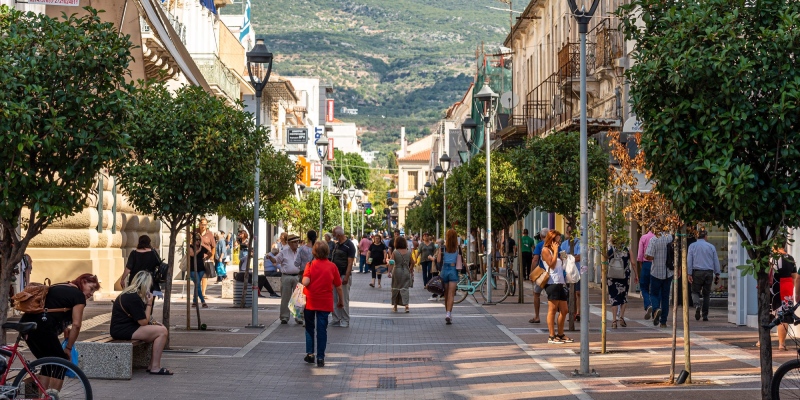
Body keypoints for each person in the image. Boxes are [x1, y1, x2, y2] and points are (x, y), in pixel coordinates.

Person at [20, 274, 99, 388]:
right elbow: (77, 325)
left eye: (94, 292)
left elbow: (53, 309)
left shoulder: (60, 286)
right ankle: (52, 396)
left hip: (27, 326)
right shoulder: (78, 296)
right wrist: (68, 348)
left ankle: (44, 397)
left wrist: (65, 329)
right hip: (42, 328)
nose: (91, 294)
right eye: (91, 289)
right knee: (60, 363)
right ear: (83, 282)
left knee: (47, 363)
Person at [110, 271, 171, 375]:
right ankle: (155, 367)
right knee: (162, 332)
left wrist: (155, 323)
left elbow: (142, 318)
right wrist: (149, 303)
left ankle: (152, 365)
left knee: (159, 330)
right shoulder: (133, 297)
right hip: (122, 330)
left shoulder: (130, 294)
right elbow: (143, 322)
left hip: (125, 327)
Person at [302, 241, 344, 367]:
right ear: (327, 251)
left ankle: (310, 354)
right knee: (322, 330)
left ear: (314, 252)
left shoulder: (310, 265)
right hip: (325, 302)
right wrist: (340, 301)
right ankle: (321, 357)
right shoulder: (332, 266)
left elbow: (305, 282)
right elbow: (339, 286)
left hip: (310, 301)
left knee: (309, 328)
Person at [763, 247, 798, 350]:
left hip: (773, 288)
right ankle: (781, 344)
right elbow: (794, 276)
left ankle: (762, 340)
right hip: (786, 287)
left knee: (768, 313)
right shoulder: (790, 258)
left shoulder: (771, 258)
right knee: (784, 316)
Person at [541, 230, 572, 344]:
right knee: (552, 310)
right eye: (557, 240)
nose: (559, 242)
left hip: (560, 282)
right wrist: (554, 251)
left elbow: (565, 261)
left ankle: (560, 334)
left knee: (564, 310)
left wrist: (563, 254)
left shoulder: (557, 250)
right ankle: (551, 336)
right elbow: (552, 265)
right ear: (551, 240)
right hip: (551, 282)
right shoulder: (545, 250)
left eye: (560, 240)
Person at [687, 229, 721, 321]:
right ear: (705, 236)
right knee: (706, 294)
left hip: (697, 272)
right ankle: (705, 315)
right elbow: (715, 261)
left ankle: (697, 305)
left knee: (695, 291)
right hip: (708, 272)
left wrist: (689, 273)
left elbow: (689, 261)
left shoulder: (692, 246)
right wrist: (717, 273)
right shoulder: (711, 247)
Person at [268, 234, 302, 324]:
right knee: (285, 298)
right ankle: (284, 317)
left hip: (297, 276)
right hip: (286, 276)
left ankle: (298, 317)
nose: (296, 244)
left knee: (298, 298)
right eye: (294, 242)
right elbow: (276, 260)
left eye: (297, 242)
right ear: (289, 243)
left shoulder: (300, 251)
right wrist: (270, 257)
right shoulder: (284, 252)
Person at [645, 231, 674, 328]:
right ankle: (663, 322)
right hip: (668, 272)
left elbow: (650, 256)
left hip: (656, 272)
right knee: (665, 297)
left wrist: (645, 256)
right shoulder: (670, 238)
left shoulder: (654, 239)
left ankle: (656, 309)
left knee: (653, 293)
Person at [329, 226, 356, 328]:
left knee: (343, 298)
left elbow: (350, 263)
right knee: (334, 298)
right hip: (335, 276)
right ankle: (336, 318)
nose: (333, 236)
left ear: (339, 234)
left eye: (334, 234)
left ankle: (345, 319)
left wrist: (346, 276)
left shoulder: (349, 245)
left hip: (344, 275)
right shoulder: (336, 245)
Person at [437, 229, 462, 325]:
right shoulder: (457, 248)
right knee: (451, 294)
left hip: (444, 270)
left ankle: (447, 313)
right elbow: (460, 260)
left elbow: (439, 260)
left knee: (446, 294)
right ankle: (448, 314)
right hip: (453, 270)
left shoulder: (442, 248)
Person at [608, 245, 635, 328]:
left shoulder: (610, 248)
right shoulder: (627, 249)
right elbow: (633, 263)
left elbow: (605, 261)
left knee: (614, 297)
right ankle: (621, 317)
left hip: (612, 276)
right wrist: (636, 274)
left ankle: (614, 321)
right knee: (623, 297)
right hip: (624, 276)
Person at [560, 231, 581, 322]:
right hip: (567, 271)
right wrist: (572, 257)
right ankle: (572, 312)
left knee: (578, 292)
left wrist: (568, 257)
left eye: (571, 231)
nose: (569, 233)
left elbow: (579, 257)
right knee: (569, 293)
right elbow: (562, 256)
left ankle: (578, 313)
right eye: (568, 231)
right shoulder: (564, 244)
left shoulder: (579, 243)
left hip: (578, 271)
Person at [529, 228, 549, 324]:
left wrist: (532, 273)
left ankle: (537, 316)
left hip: (542, 274)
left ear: (541, 236)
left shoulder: (540, 245)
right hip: (553, 275)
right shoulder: (556, 245)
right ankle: (551, 317)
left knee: (536, 294)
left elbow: (535, 259)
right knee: (552, 297)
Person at [389, 236, 413, 313]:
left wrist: (389, 271)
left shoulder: (395, 252)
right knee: (405, 288)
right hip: (406, 271)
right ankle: (406, 306)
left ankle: (395, 306)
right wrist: (410, 269)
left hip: (397, 271)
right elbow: (413, 262)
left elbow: (392, 262)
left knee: (395, 288)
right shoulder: (408, 252)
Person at [637, 227, 656, 320]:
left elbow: (640, 254)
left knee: (644, 287)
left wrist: (641, 264)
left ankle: (648, 305)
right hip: (655, 264)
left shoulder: (643, 238)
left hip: (646, 264)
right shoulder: (658, 238)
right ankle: (655, 309)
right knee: (654, 288)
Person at [196, 217, 215, 298]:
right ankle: (197, 292)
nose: (203, 226)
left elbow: (213, 246)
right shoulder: (195, 232)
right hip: (196, 257)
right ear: (199, 224)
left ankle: (203, 293)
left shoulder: (210, 234)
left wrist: (212, 257)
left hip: (206, 257)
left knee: (204, 276)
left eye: (204, 224)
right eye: (202, 224)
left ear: (207, 225)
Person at [187, 234, 207, 308]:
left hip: (201, 268)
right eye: (196, 240)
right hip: (193, 268)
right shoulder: (190, 247)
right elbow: (192, 254)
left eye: (199, 240)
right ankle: (203, 301)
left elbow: (210, 253)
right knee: (198, 284)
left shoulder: (202, 248)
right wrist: (198, 250)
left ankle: (194, 301)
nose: (198, 241)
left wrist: (205, 259)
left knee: (197, 285)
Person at [418, 233, 437, 300]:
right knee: (424, 272)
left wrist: (434, 256)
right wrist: (416, 258)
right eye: (425, 236)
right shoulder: (421, 244)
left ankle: (429, 283)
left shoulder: (432, 244)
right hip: (423, 259)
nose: (426, 237)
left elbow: (435, 250)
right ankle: (425, 284)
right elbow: (419, 251)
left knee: (429, 271)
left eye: (427, 236)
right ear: (423, 237)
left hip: (430, 259)